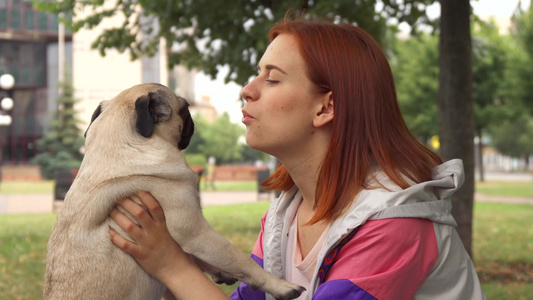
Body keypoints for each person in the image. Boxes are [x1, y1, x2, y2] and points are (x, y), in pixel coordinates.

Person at [109, 16, 486, 300]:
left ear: (326, 107)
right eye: (257, 74)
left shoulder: (395, 222)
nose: (247, 90)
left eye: (271, 79)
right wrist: (172, 260)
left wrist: (171, 265)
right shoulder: (286, 216)